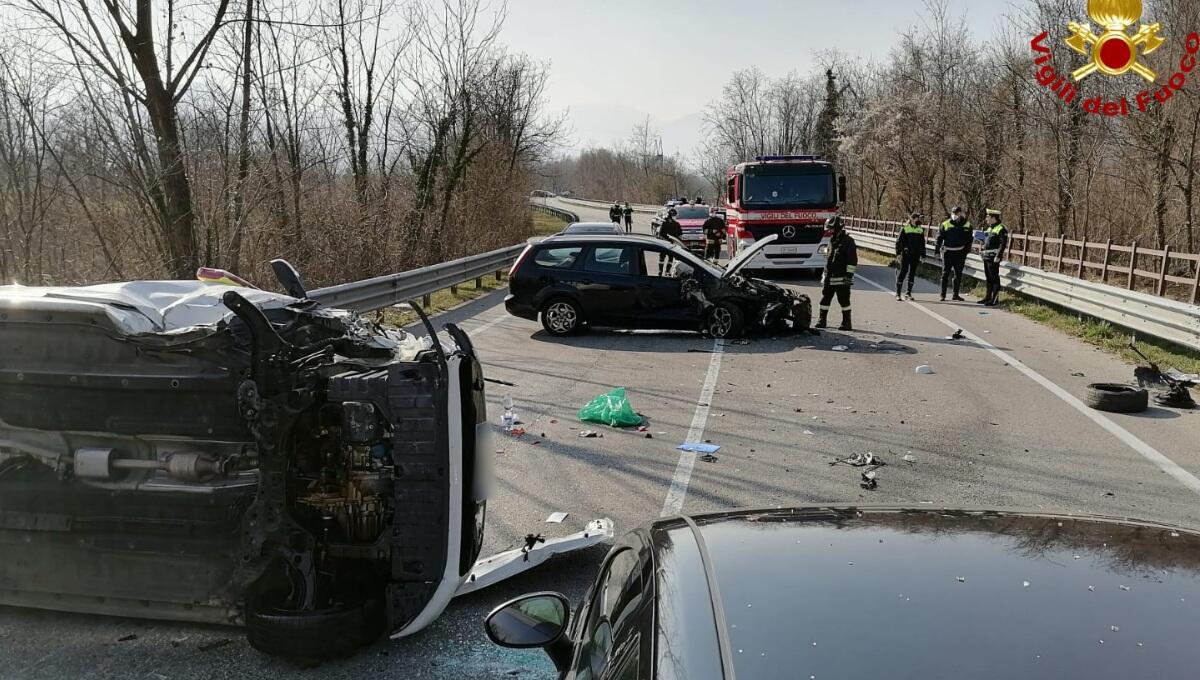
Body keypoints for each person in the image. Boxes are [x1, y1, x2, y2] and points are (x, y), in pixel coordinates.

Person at [817, 216, 858, 331]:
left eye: (831, 228)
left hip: (842, 278)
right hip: (829, 278)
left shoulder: (848, 241)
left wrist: (848, 276)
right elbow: (828, 258)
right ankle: (822, 320)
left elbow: (852, 261)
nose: (829, 231)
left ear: (837, 228)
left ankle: (846, 323)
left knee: (844, 301)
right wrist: (824, 275)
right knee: (825, 299)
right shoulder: (832, 241)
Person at [934, 206, 972, 301]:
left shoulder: (967, 225)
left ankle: (955, 295)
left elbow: (970, 239)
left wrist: (966, 251)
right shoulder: (945, 224)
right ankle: (942, 295)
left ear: (960, 213)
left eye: (956, 213)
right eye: (953, 213)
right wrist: (937, 251)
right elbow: (939, 238)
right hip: (948, 252)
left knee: (958, 274)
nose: (954, 215)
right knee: (945, 273)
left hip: (960, 253)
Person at [895, 212, 926, 301]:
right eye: (917, 218)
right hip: (906, 254)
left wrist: (923, 255)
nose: (919, 220)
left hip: (916, 255)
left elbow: (922, 244)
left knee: (912, 273)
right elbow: (898, 242)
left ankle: (908, 293)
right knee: (903, 272)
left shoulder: (920, 230)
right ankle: (898, 293)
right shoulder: (905, 228)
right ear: (912, 219)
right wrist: (898, 254)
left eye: (919, 218)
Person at [980, 208, 1008, 306]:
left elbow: (1003, 244)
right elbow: (987, 242)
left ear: (993, 218)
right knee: (988, 278)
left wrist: (998, 255)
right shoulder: (990, 228)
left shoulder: (1001, 228)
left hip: (993, 257)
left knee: (994, 278)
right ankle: (988, 297)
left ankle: (995, 299)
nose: (986, 219)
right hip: (987, 256)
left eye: (988, 217)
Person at [658, 208, 682, 275]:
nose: (675, 217)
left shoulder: (675, 224)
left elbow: (680, 235)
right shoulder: (666, 223)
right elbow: (660, 234)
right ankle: (663, 271)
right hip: (666, 244)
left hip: (669, 244)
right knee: (664, 258)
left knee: (668, 258)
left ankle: (665, 271)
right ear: (671, 215)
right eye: (674, 215)